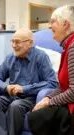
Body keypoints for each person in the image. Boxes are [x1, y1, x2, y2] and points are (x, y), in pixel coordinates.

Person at [0, 28, 58, 135]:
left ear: (30, 43)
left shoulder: (41, 57)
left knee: (16, 105)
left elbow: (52, 82)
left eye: (17, 42)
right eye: (12, 41)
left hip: (31, 98)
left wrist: (24, 89)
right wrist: (6, 87)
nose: (14, 45)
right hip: (11, 96)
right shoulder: (10, 58)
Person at [28, 5, 74, 135]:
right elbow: (63, 87)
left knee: (37, 118)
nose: (49, 25)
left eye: (53, 21)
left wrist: (50, 102)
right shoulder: (68, 47)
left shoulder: (72, 48)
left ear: (65, 24)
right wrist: (47, 98)